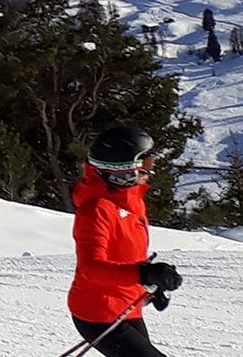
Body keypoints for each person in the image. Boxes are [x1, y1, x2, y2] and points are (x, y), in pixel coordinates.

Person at [68, 125, 183, 357]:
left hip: (126, 306)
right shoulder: (96, 210)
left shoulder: (132, 202)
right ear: (121, 170)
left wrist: (152, 286)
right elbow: (92, 268)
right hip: (97, 312)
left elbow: (126, 256)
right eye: (145, 165)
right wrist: (144, 273)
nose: (150, 172)